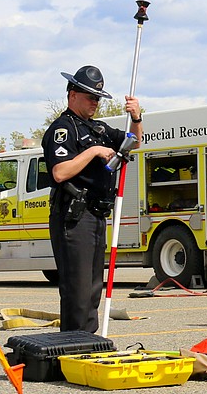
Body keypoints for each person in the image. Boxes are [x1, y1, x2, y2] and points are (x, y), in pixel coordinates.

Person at [43, 65, 142, 333]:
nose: (95, 103)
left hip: (96, 214)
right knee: (78, 287)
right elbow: (60, 172)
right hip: (74, 216)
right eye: (90, 97)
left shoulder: (97, 127)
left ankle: (88, 341)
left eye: (98, 98)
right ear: (72, 95)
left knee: (92, 288)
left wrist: (136, 117)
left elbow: (134, 142)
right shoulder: (63, 129)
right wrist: (95, 151)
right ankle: (74, 344)